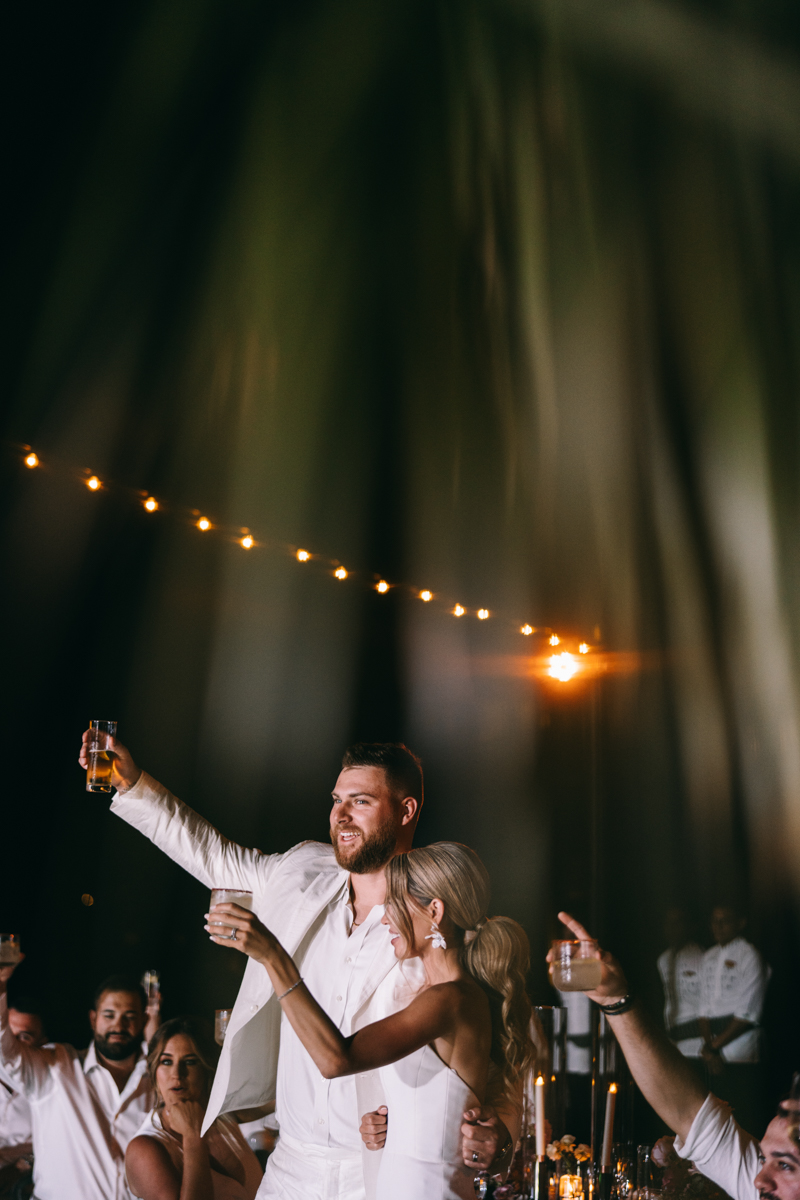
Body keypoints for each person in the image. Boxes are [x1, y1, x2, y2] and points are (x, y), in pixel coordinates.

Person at [78, 735, 516, 1200]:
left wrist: (501, 1132)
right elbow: (214, 856)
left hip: (375, 1171)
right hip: (289, 1165)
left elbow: (498, 1051)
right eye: (337, 800)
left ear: (406, 811)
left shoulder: (431, 918)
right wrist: (135, 785)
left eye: (360, 801)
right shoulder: (302, 870)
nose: (340, 815)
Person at [207, 842, 534, 1200]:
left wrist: (273, 957)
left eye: (394, 904)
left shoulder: (452, 1000)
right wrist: (384, 1122)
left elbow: (336, 1059)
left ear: (435, 911)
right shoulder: (429, 995)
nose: (385, 917)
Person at [549, 912, 797, 1200]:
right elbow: (690, 1115)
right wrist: (615, 1000)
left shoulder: (746, 956)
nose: (759, 1180)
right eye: (764, 1159)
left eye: (785, 1164)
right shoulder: (761, 1187)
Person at [0, 961, 152, 1200]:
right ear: (93, 1019)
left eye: (129, 1016)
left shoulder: (159, 1080)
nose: (118, 1025)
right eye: (109, 1015)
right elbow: (6, 1052)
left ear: (144, 1020)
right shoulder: (56, 1066)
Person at [126, 1016, 262, 1200]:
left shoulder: (221, 1116)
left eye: (190, 1061)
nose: (177, 1074)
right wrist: (192, 1136)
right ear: (154, 1070)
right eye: (166, 1062)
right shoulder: (145, 1148)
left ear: (206, 1069)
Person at [0, 997, 48, 1196]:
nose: (12, 1045)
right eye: (9, 1036)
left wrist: (23, 1165)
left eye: (24, 1037)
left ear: (42, 1043)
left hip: (20, 1180)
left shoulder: (47, 1090)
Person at [657, 908, 705, 1058]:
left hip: (698, 1039)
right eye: (669, 923)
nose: (672, 928)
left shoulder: (702, 957)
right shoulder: (663, 960)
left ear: (689, 926)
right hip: (673, 1037)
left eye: (678, 923)